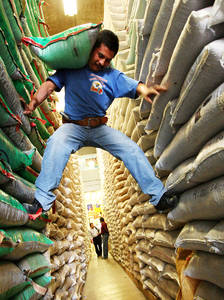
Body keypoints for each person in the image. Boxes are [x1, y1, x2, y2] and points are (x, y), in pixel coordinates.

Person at [23, 29, 178, 217]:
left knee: (131, 149)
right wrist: (34, 102)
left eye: (108, 60)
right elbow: (49, 86)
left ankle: (159, 197)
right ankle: (40, 201)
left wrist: (146, 90)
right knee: (55, 145)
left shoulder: (112, 75)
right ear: (92, 49)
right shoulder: (72, 67)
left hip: (99, 129)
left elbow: (134, 85)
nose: (103, 62)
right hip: (73, 127)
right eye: (100, 56)